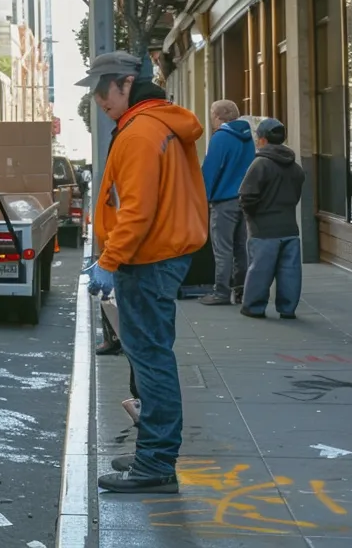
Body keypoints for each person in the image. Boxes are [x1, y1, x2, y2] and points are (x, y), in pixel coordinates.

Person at [76, 51, 208, 494]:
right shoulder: (158, 125)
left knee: (151, 362)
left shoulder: (140, 132)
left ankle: (155, 463)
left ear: (126, 84)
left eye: (102, 89)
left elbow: (136, 209)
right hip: (158, 257)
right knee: (151, 359)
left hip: (146, 260)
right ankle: (154, 452)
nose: (97, 99)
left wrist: (109, 261)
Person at [239, 118, 306, 319]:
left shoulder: (260, 164)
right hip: (289, 227)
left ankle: (254, 307)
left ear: (262, 140)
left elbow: (246, 196)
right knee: (290, 272)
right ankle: (287, 308)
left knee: (260, 269)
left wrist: (250, 215)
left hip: (263, 227)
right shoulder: (295, 168)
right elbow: (295, 196)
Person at [198, 100, 254, 306]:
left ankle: (221, 292)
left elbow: (211, 171)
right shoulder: (248, 137)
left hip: (223, 200)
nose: (211, 119)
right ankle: (242, 291)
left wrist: (203, 197)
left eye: (212, 115)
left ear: (218, 116)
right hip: (245, 198)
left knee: (222, 248)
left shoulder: (220, 137)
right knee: (241, 247)